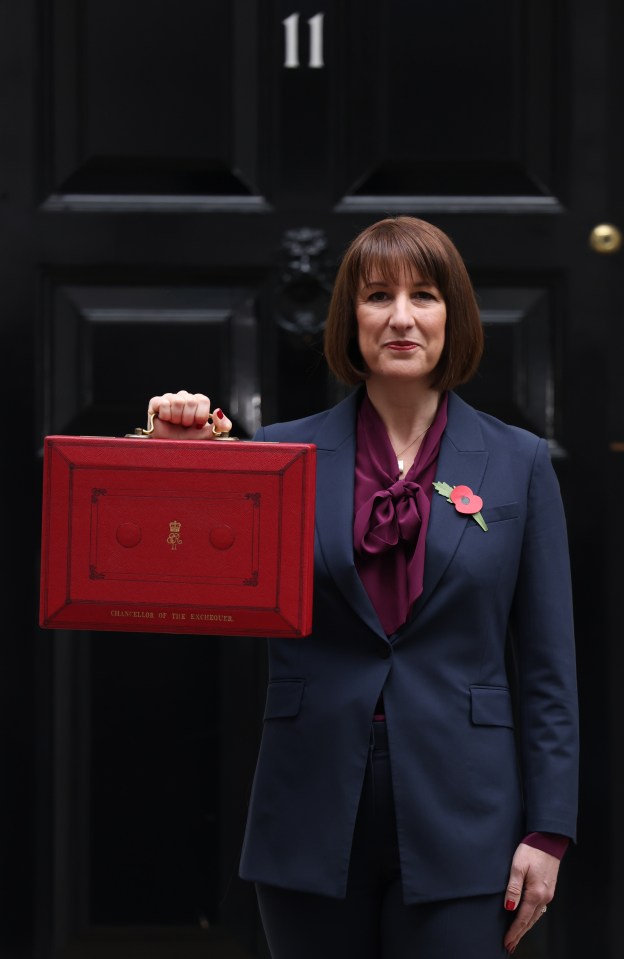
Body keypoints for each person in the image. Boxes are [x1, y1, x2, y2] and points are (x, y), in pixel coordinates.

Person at [147, 217, 578, 958]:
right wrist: (173, 459)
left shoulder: (520, 462)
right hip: (309, 810)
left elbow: (547, 666)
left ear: (455, 316)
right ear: (351, 318)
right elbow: (178, 575)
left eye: (425, 296)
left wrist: (550, 829)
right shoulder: (281, 453)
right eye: (378, 296)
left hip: (469, 818)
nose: (402, 317)